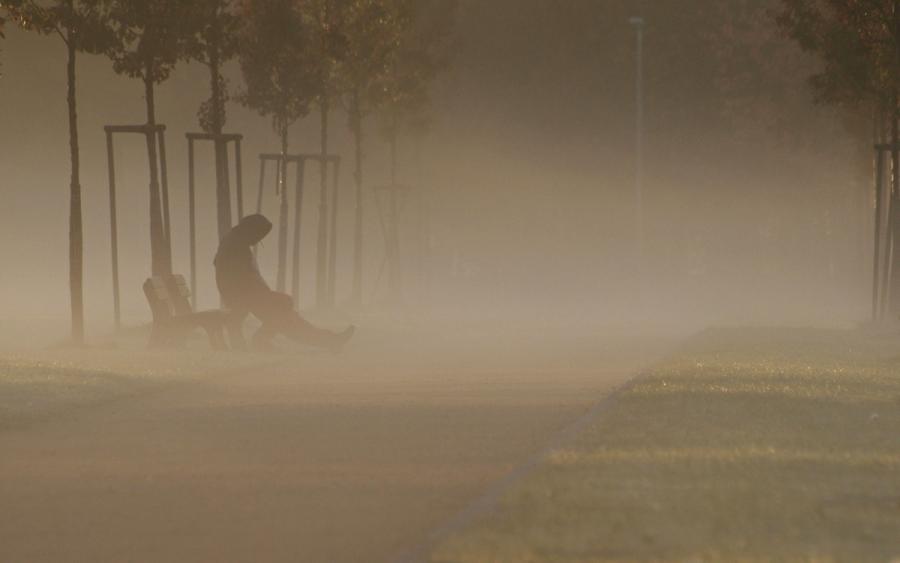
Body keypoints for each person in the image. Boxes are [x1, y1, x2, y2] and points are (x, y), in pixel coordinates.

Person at [214, 214, 354, 351]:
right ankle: (328, 340)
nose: (257, 241)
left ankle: (328, 339)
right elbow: (241, 278)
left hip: (246, 295)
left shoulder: (234, 242)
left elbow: (237, 275)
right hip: (246, 296)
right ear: (251, 231)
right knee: (287, 320)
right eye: (258, 236)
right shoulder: (236, 247)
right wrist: (263, 297)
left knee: (285, 316)